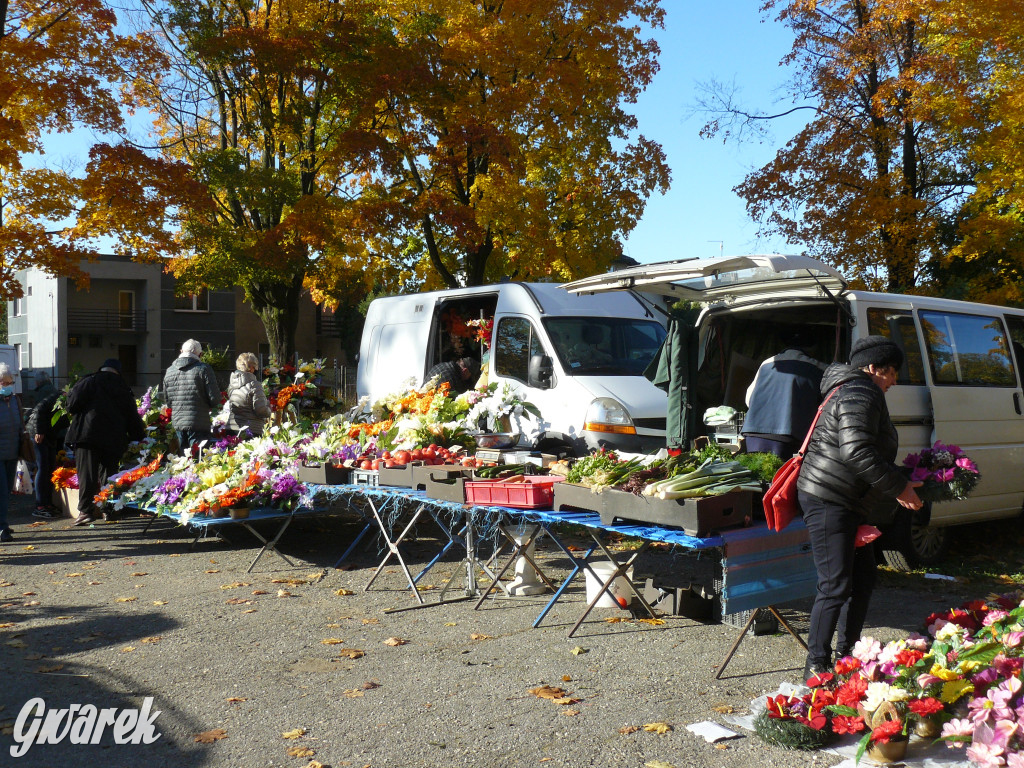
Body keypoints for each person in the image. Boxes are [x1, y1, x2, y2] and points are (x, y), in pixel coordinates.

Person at [796, 335, 923, 679]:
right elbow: (857, 453)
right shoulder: (859, 392)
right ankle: (816, 667)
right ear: (873, 368)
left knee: (864, 578)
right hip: (829, 499)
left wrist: (901, 476)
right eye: (892, 372)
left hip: (846, 498)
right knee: (835, 584)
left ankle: (847, 656)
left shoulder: (856, 391)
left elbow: (863, 451)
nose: (895, 380)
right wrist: (898, 487)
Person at [64, 359, 145, 526]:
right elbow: (131, 415)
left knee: (87, 474)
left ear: (101, 368)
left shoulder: (88, 381)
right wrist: (139, 436)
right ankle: (108, 509)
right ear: (118, 371)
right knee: (109, 474)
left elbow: (71, 405)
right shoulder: (123, 387)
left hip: (87, 435)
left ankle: (85, 511)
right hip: (113, 437)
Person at [742, 329, 828, 457]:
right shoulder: (819, 368)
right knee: (782, 476)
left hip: (753, 435)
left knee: (758, 474)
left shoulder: (767, 363)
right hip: (788, 437)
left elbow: (749, 399)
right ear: (811, 348)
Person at [163, 339, 221, 454]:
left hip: (178, 423)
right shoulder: (204, 369)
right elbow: (215, 399)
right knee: (198, 461)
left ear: (181, 351)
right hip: (199, 422)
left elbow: (168, 401)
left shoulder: (169, 371)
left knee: (182, 462)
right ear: (200, 354)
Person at [25, 373, 68, 519]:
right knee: (43, 467)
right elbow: (39, 409)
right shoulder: (57, 396)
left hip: (49, 434)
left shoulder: (63, 398)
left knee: (50, 467)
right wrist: (39, 431)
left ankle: (47, 503)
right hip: (40, 433)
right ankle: (40, 505)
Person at [225, 352, 272, 437]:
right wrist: (269, 410)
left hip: (232, 428)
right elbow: (260, 409)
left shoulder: (232, 385)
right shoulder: (254, 385)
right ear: (252, 368)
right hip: (251, 429)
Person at [0, 365, 22, 542]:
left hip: (12, 453)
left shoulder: (15, 400)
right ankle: (1, 528)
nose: (7, 385)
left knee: (6, 491)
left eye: (10, 382)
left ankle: (3, 523)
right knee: (0, 492)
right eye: (3, 382)